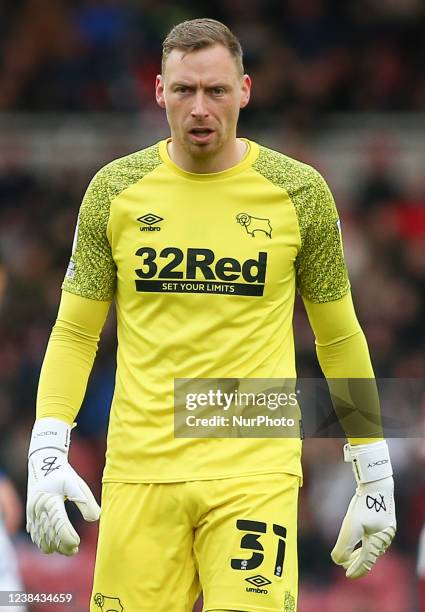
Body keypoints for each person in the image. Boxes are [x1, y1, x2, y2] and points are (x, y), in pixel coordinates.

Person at [26, 18, 396, 612]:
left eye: (216, 90)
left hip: (254, 465)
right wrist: (47, 450)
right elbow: (74, 331)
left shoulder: (299, 193)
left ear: (244, 90)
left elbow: (338, 336)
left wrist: (373, 469)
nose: (201, 108)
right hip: (141, 466)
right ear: (158, 91)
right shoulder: (114, 191)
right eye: (184, 90)